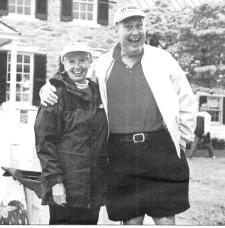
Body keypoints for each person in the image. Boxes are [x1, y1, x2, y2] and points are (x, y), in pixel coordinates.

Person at [39, 4, 196, 225]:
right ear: (116, 30)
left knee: (165, 217)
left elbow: (186, 97)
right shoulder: (102, 64)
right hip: (120, 150)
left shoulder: (163, 59)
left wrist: (183, 137)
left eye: (139, 26)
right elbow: (74, 79)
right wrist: (48, 87)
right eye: (128, 26)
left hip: (160, 147)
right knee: (130, 219)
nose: (135, 32)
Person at [34, 42, 108, 225]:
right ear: (63, 63)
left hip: (92, 185)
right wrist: (55, 182)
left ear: (90, 61)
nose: (77, 66)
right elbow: (45, 142)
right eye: (71, 61)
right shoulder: (55, 93)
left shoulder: (99, 92)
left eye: (82, 60)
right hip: (66, 185)